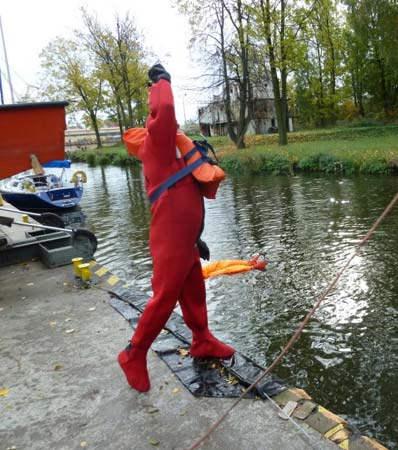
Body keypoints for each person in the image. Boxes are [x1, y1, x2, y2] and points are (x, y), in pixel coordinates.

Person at [118, 64, 234, 393]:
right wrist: (161, 82)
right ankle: (133, 353)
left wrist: (195, 240)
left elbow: (184, 199)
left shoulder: (173, 155)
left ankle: (202, 341)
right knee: (165, 298)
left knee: (194, 290)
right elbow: (166, 109)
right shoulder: (156, 148)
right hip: (170, 241)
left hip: (185, 241)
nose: (173, 127)